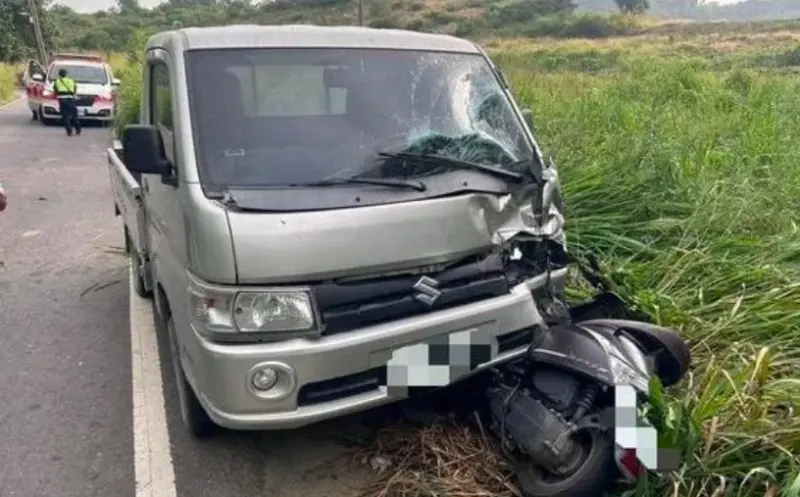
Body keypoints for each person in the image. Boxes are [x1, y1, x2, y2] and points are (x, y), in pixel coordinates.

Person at [53, 68, 81, 136]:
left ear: (59, 74)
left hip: (62, 100)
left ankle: (69, 131)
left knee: (65, 116)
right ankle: (78, 129)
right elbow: (75, 89)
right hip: (71, 99)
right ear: (66, 74)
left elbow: (55, 90)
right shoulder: (71, 80)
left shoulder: (57, 81)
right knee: (74, 115)